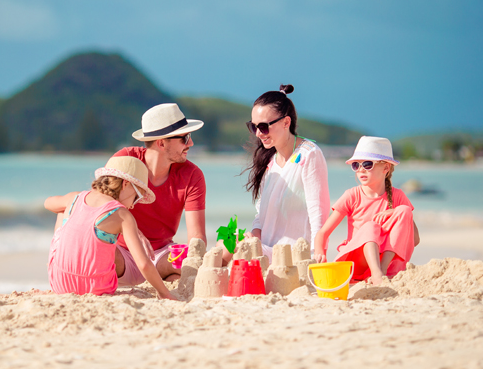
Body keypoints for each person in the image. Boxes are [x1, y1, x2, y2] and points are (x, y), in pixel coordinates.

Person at [222, 84, 330, 263]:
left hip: (293, 256)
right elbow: (260, 216)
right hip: (266, 250)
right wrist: (254, 236)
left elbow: (318, 211)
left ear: (286, 122)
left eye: (263, 127)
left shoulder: (309, 155)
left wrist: (317, 256)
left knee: (233, 250)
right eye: (253, 127)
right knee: (225, 242)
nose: (258, 134)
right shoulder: (270, 162)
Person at [45, 156, 175, 300]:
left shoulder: (75, 197)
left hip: (60, 284)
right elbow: (144, 264)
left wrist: (71, 210)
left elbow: (47, 203)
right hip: (98, 287)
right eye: (136, 197)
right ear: (125, 184)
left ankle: (61, 267)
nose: (133, 205)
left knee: (63, 210)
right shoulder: (122, 215)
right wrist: (164, 293)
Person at [113, 103, 207, 284]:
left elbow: (197, 237)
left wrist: (194, 259)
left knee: (193, 260)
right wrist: (132, 231)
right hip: (122, 253)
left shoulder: (192, 175)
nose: (191, 143)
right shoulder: (125, 160)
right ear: (162, 143)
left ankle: (168, 279)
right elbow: (99, 205)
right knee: (97, 246)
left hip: (162, 255)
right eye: (185, 138)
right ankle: (166, 279)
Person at [313, 136, 421, 286]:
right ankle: (377, 273)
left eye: (368, 164)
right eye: (356, 165)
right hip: (355, 263)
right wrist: (320, 254)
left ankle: (381, 271)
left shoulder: (398, 196)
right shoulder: (352, 195)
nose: (361, 169)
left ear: (386, 168)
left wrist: (396, 212)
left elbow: (414, 240)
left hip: (383, 264)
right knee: (371, 226)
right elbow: (323, 233)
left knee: (404, 210)